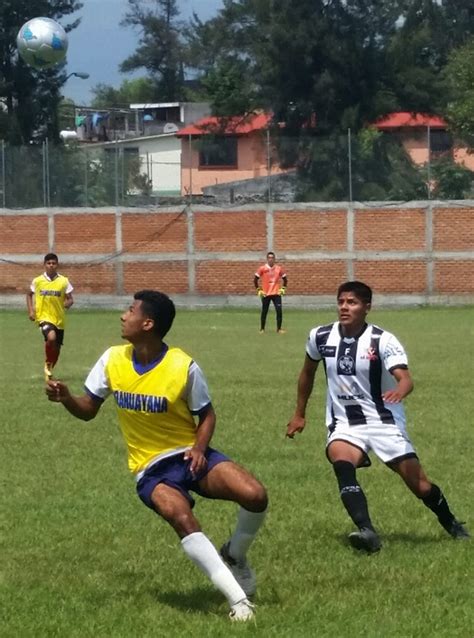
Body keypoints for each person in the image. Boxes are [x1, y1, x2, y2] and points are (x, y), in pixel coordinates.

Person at [45, 290, 268, 622]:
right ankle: (239, 601)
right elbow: (88, 409)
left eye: (130, 310)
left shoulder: (183, 366)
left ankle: (235, 554)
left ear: (147, 323)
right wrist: (66, 398)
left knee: (255, 495)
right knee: (182, 518)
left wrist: (198, 448)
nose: (123, 315)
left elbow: (206, 414)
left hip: (188, 455)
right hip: (150, 469)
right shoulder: (112, 359)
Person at [286, 281, 469, 553]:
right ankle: (367, 531)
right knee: (342, 463)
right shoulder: (320, 336)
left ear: (367, 307)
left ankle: (451, 522)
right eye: (341, 302)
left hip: (384, 421)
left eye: (352, 302)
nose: (344, 307)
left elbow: (405, 378)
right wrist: (299, 414)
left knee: (420, 486)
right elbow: (307, 373)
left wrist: (400, 391)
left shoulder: (383, 340)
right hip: (345, 422)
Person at [27, 252, 74, 381]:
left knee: (57, 349)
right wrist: (31, 310)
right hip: (43, 317)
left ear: (57, 265)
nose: (51, 265)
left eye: (53, 263)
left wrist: (67, 304)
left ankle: (49, 369)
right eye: (48, 263)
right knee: (51, 338)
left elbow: (70, 299)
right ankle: (48, 364)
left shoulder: (64, 281)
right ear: (44, 265)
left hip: (59, 319)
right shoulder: (38, 281)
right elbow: (29, 294)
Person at [254, 251, 287, 333]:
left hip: (276, 294)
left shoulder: (278, 268)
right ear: (267, 259)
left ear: (274, 259)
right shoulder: (262, 268)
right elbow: (255, 280)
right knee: (264, 311)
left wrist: (283, 289)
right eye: (269, 258)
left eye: (272, 258)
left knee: (279, 311)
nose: (271, 259)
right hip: (266, 294)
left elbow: (285, 279)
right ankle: (262, 329)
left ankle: (279, 329)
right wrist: (259, 290)